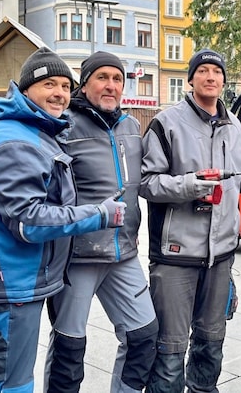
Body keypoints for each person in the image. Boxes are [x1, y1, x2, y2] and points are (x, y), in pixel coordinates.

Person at [0, 47, 127, 393]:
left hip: (17, 282)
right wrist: (98, 213)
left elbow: (4, 203)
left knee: (8, 377)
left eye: (66, 86)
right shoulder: (13, 139)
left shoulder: (34, 131)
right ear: (25, 91)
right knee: (10, 383)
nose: (60, 93)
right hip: (11, 286)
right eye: (49, 84)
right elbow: (29, 221)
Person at [44, 51, 158, 393]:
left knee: (144, 336)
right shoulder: (62, 124)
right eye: (102, 77)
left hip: (122, 252)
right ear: (86, 82)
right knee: (69, 349)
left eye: (117, 79)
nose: (111, 85)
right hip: (77, 255)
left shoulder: (132, 126)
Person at [139, 48, 241, 393]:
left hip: (220, 256)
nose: (211, 77)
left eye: (217, 71)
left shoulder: (236, 128)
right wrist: (189, 184)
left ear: (224, 81)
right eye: (203, 70)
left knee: (210, 342)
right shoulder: (166, 123)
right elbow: (145, 182)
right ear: (190, 79)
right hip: (175, 255)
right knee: (170, 348)